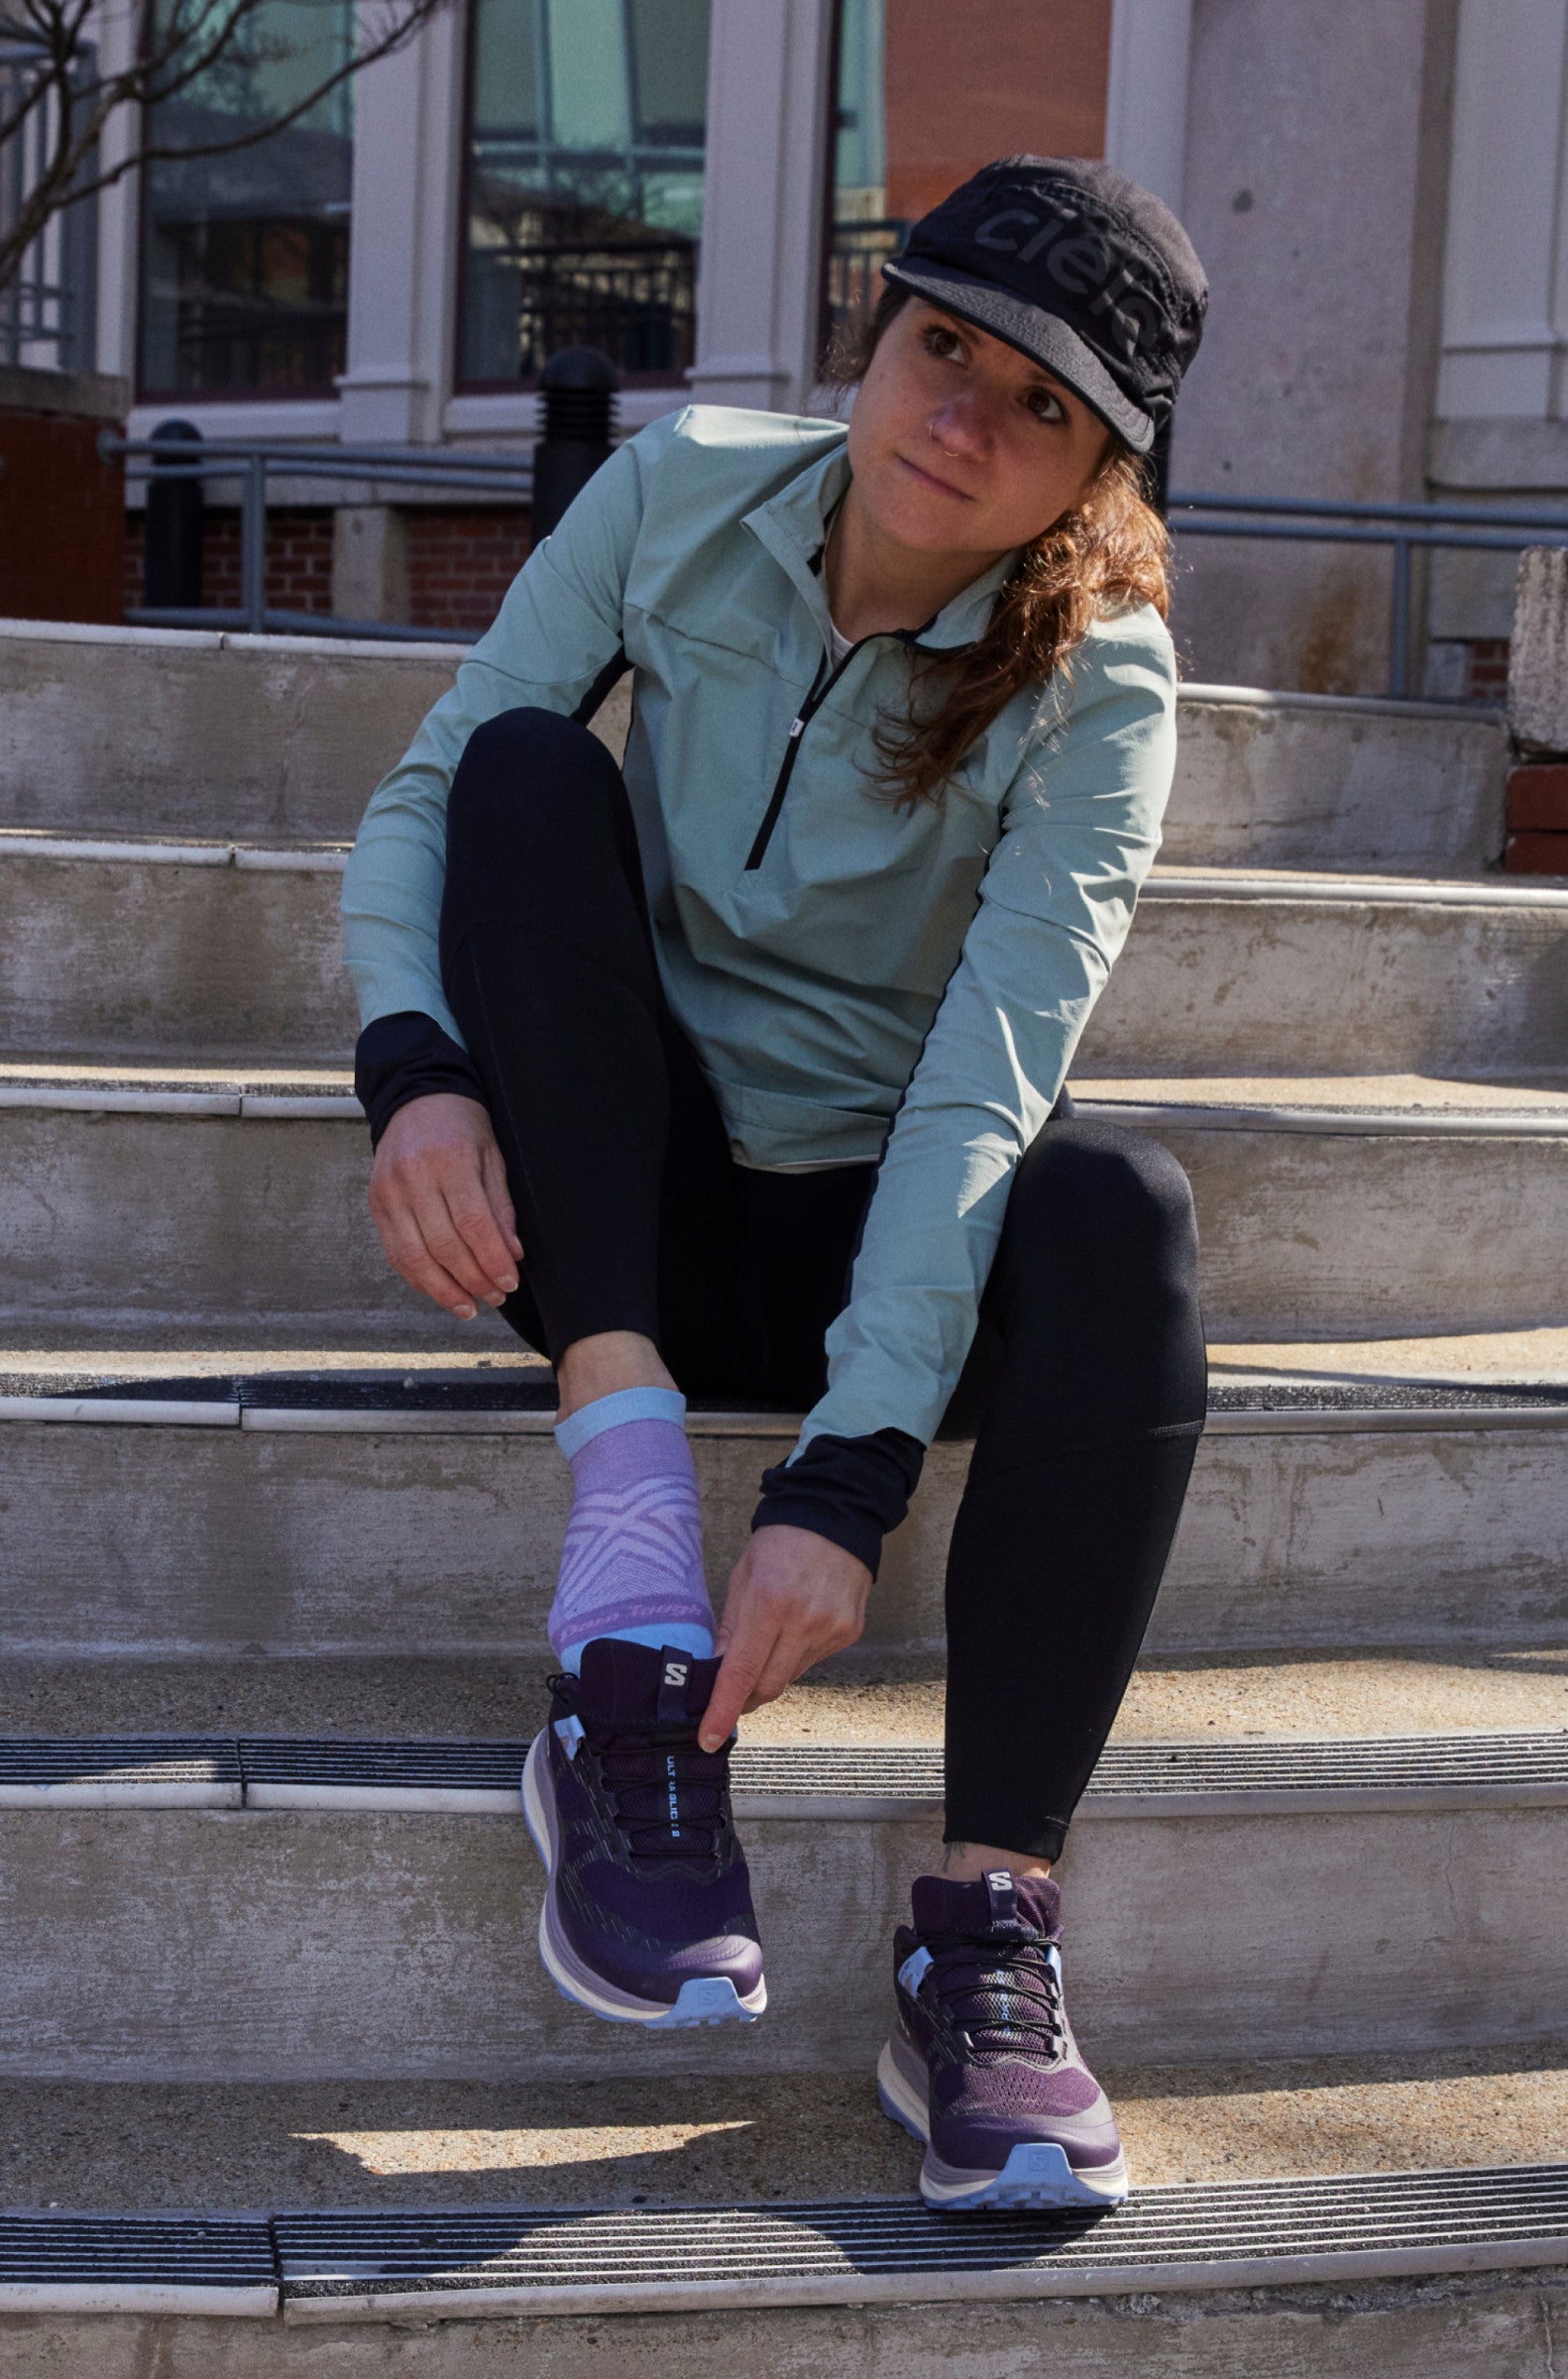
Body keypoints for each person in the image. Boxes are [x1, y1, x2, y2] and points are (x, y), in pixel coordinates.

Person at [340, 158, 1209, 2212]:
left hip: (852, 1246)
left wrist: (846, 1480)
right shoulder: (676, 497)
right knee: (529, 776)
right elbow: (428, 786)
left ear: (1097, 470)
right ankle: (629, 1634)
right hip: (606, 1196)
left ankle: (978, 1937)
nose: (958, 422)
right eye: (941, 352)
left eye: (1036, 410)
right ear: (874, 332)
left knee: (1123, 1218)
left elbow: (990, 1089)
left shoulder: (1104, 684)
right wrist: (417, 1071)